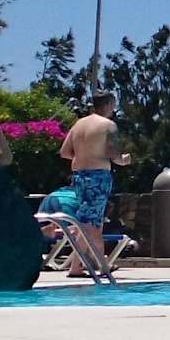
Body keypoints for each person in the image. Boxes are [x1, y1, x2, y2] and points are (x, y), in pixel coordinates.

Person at [57, 91, 123, 279]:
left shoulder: (78, 124)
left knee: (92, 222)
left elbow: (65, 152)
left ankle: (101, 265)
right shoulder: (108, 125)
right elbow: (113, 154)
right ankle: (78, 266)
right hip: (98, 177)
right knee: (89, 224)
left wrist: (84, 155)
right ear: (109, 105)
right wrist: (124, 160)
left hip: (79, 176)